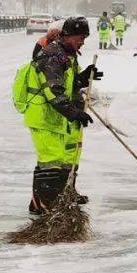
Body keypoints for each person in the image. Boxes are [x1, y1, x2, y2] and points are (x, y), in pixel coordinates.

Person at [19, 16, 102, 213]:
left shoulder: (66, 54)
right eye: (80, 37)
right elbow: (54, 91)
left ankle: (45, 202)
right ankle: (46, 207)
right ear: (68, 35)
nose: (83, 41)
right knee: (51, 163)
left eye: (85, 38)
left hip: (55, 117)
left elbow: (66, 83)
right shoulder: (52, 56)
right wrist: (74, 112)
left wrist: (82, 78)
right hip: (44, 117)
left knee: (61, 160)